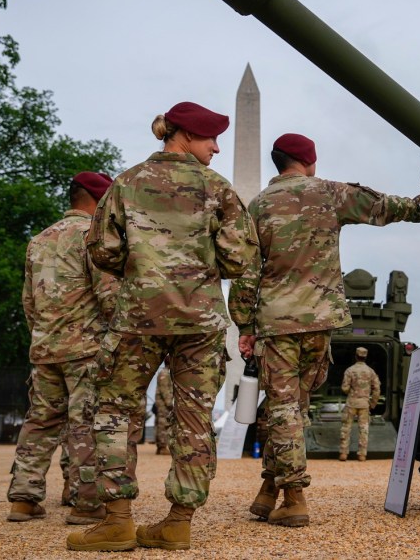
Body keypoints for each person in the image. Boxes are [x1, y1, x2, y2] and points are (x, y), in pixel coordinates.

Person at [65, 102, 259, 553]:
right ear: (185, 135)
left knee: (115, 410)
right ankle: (178, 522)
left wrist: (143, 268)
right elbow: (239, 259)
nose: (216, 148)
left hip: (139, 316)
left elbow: (101, 250)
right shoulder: (218, 188)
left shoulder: (127, 183)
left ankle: (116, 521)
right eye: (210, 137)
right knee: (194, 419)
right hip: (201, 320)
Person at [229, 132, 420, 528]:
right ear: (309, 161)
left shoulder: (259, 205)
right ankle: (272, 490)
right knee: (294, 408)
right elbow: (382, 206)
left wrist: (244, 323)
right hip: (321, 321)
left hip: (277, 322)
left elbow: (246, 272)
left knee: (282, 408)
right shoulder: (328, 193)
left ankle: (289, 495)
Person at [6, 172, 117, 526]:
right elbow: (109, 297)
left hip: (45, 347)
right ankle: (87, 501)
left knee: (40, 421)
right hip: (85, 348)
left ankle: (23, 498)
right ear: (98, 200)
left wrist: (42, 336)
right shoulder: (92, 236)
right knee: (86, 424)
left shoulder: (38, 240)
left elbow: (28, 301)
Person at [338, 347, 381, 462]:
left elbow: (345, 388)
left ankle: (343, 453)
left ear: (356, 356)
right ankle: (362, 455)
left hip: (351, 403)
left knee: (346, 428)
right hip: (364, 404)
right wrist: (372, 403)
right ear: (365, 357)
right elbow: (377, 389)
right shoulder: (371, 371)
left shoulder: (350, 370)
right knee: (363, 429)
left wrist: (351, 391)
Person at [153, 361, 174, 455]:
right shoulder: (165, 374)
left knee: (160, 424)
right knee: (163, 424)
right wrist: (170, 404)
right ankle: (162, 447)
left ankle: (160, 447)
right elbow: (164, 390)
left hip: (162, 404)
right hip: (163, 404)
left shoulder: (164, 373)